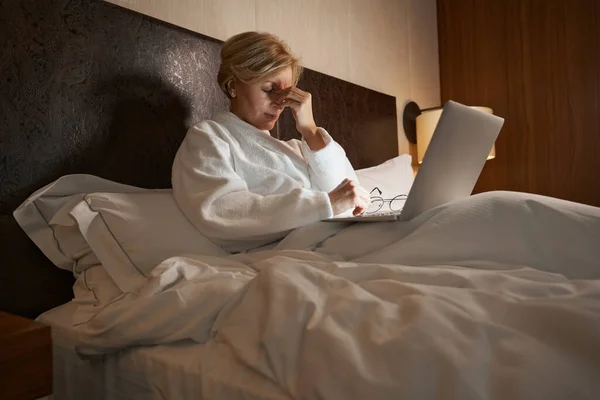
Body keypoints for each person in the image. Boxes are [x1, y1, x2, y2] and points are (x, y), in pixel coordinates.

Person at [172, 32, 370, 253]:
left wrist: (311, 131)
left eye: (286, 94)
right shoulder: (209, 138)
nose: (279, 103)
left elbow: (351, 200)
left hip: (340, 242)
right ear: (232, 86)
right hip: (292, 255)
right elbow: (221, 211)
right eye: (268, 89)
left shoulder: (298, 148)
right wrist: (324, 204)